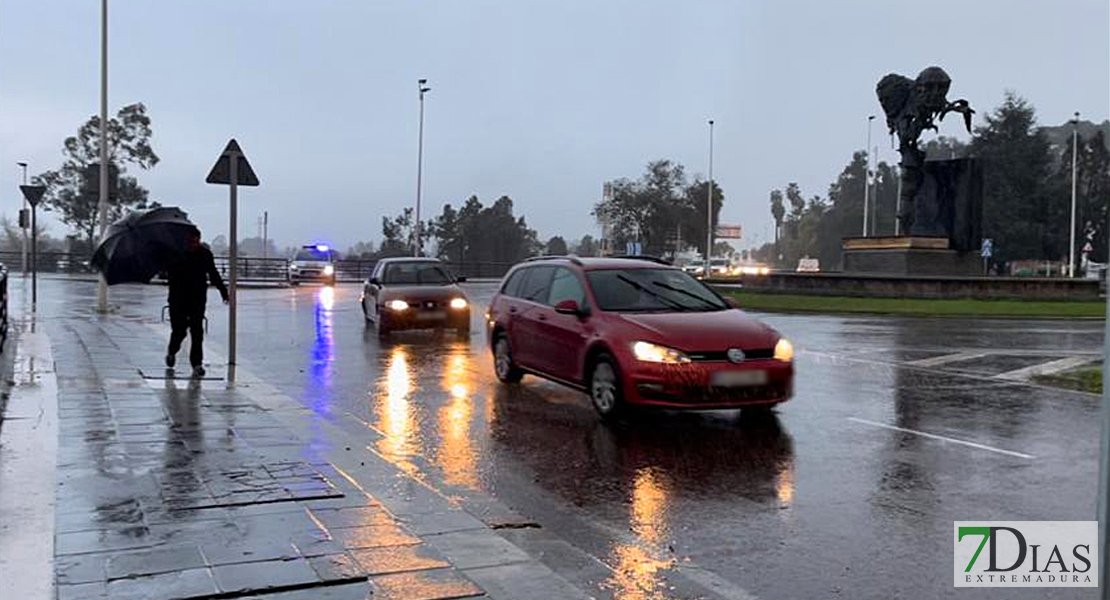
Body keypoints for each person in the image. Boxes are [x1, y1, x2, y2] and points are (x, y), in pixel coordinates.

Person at [166, 228, 228, 377]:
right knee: (179, 331)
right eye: (190, 242)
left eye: (195, 242)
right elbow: (169, 274)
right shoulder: (176, 254)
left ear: (199, 240)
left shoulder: (205, 255)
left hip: (197, 299)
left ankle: (197, 364)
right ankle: (172, 351)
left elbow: (213, 273)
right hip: (178, 299)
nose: (193, 245)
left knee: (197, 332)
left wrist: (223, 291)